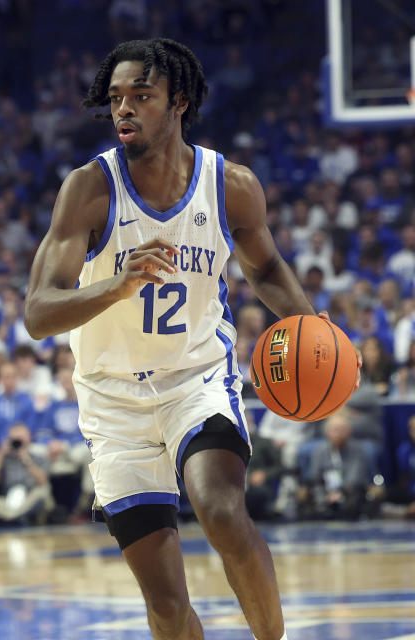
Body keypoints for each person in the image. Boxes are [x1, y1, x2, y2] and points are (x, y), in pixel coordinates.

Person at [24, 38, 360, 640]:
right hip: (112, 402)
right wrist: (117, 285)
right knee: (166, 603)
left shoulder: (229, 184)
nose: (123, 109)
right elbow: (39, 313)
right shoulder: (88, 189)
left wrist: (312, 327)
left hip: (195, 380)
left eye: (141, 96)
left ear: (178, 101)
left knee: (222, 509)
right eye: (117, 98)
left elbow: (265, 268)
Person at [0, 423, 53, 525]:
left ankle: (10, 516)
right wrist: (1, 454)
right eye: (15, 439)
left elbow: (43, 482)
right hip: (6, 501)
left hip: (29, 499)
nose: (19, 443)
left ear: (30, 439)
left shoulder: (39, 456)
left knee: (42, 493)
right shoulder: (4, 458)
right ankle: (15, 515)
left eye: (21, 439)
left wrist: (27, 460)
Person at [306, 412, 376, 520]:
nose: (339, 434)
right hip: (326, 493)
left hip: (349, 494)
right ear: (327, 432)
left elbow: (355, 477)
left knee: (356, 493)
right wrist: (324, 497)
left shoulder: (357, 450)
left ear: (349, 431)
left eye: (342, 429)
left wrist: (340, 493)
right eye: (335, 430)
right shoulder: (320, 451)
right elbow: (315, 478)